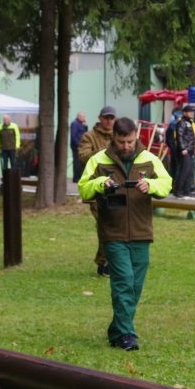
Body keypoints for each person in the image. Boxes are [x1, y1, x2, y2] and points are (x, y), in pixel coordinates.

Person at [78, 117, 172, 351]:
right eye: (121, 142)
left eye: (130, 141)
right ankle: (126, 335)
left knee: (135, 287)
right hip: (113, 232)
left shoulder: (149, 159)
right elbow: (83, 188)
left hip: (142, 232)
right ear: (114, 139)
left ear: (135, 137)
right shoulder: (98, 160)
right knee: (123, 283)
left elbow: (166, 184)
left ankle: (116, 329)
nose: (126, 146)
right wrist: (101, 183)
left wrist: (151, 186)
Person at [78, 106, 117, 276]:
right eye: (106, 118)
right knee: (104, 226)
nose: (109, 121)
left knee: (115, 226)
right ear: (100, 118)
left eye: (111, 118)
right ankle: (104, 263)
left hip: (116, 189)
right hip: (96, 190)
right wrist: (103, 151)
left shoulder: (120, 136)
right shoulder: (89, 136)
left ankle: (109, 261)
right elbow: (83, 157)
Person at [173, 106, 195, 198]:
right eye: (190, 112)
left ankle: (187, 191)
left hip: (190, 150)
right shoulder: (182, 123)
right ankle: (178, 191)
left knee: (189, 172)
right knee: (184, 171)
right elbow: (179, 136)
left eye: (192, 112)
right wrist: (183, 148)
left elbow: (191, 137)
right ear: (184, 112)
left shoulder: (189, 122)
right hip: (185, 151)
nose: (192, 113)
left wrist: (194, 148)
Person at [164, 106, 182, 180]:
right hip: (178, 149)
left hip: (172, 149)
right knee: (178, 167)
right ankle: (176, 185)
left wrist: (170, 146)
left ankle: (171, 184)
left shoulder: (171, 124)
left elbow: (167, 138)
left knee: (172, 167)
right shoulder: (180, 124)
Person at [70, 111, 89, 182]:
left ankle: (79, 177)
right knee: (77, 163)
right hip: (76, 147)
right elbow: (73, 136)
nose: (84, 118)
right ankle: (76, 178)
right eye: (83, 117)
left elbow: (85, 134)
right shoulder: (74, 123)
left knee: (81, 162)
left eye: (84, 117)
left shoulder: (81, 124)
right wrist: (79, 144)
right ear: (79, 116)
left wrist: (85, 125)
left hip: (81, 146)